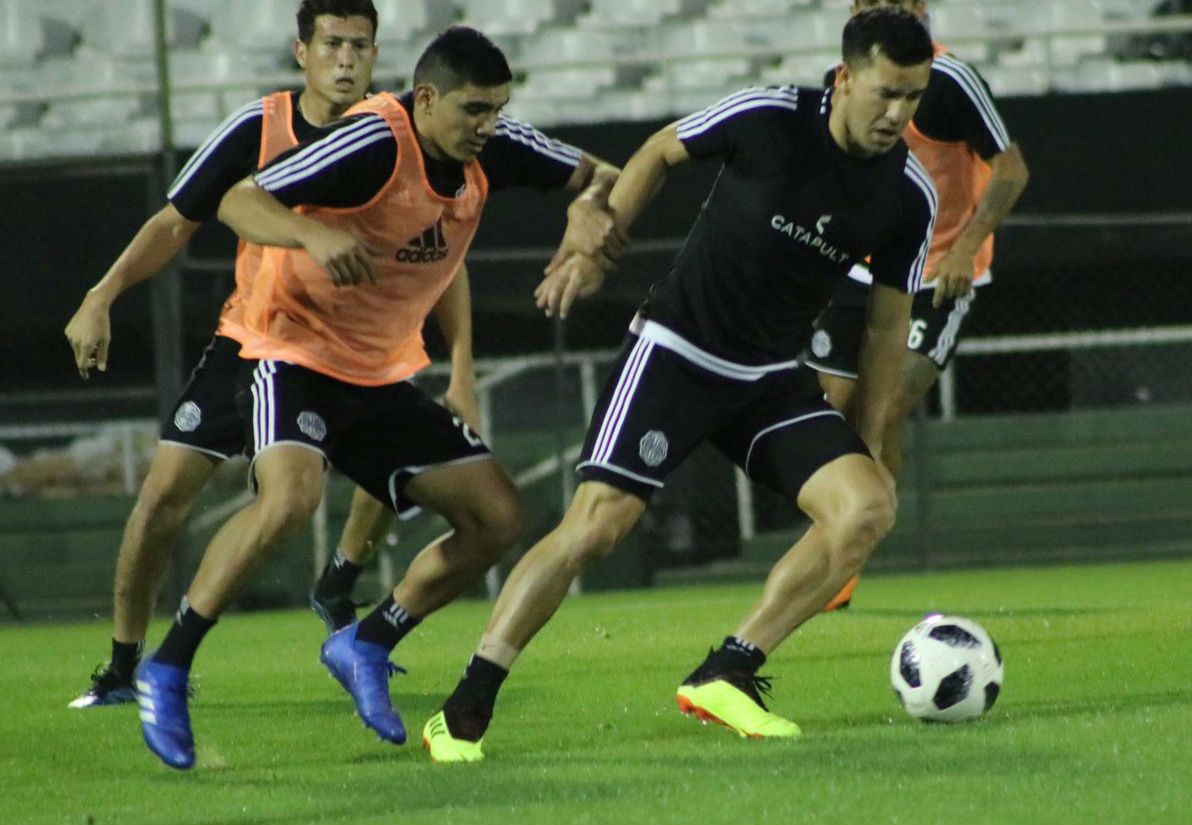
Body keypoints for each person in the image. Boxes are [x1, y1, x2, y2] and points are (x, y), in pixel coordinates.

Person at [422, 5, 939, 763]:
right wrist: (600, 248)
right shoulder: (770, 117)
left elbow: (889, 328)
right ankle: (464, 706)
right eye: (886, 92)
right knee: (596, 527)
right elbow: (662, 150)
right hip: (678, 348)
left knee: (866, 506)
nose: (898, 113)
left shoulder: (910, 193)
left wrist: (869, 439)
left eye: (914, 97)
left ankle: (728, 670)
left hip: (768, 377)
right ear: (844, 79)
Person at [134, 25, 624, 770]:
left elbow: (606, 173)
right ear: (425, 99)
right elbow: (238, 201)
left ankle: (367, 640)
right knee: (290, 498)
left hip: (376, 372)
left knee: (498, 518)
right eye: (473, 109)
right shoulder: (370, 142)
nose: (487, 125)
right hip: (293, 351)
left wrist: (590, 208)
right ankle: (167, 665)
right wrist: (310, 236)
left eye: (497, 108)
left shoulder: (496, 146)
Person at [65, 0, 408, 710]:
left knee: (401, 466)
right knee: (161, 499)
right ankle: (123, 667)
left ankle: (340, 582)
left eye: (360, 45)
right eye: (332, 43)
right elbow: (175, 223)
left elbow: (439, 245)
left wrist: (457, 355)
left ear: (376, 55)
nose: (346, 59)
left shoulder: (394, 133)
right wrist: (101, 294)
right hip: (252, 340)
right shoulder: (260, 127)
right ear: (301, 52)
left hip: (347, 350)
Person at [809, 0, 1030, 612]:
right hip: (862, 267)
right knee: (830, 410)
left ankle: (845, 556)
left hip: (937, 277)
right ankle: (832, 533)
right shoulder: (844, 80)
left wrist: (966, 248)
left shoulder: (949, 79)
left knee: (882, 410)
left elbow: (1011, 170)